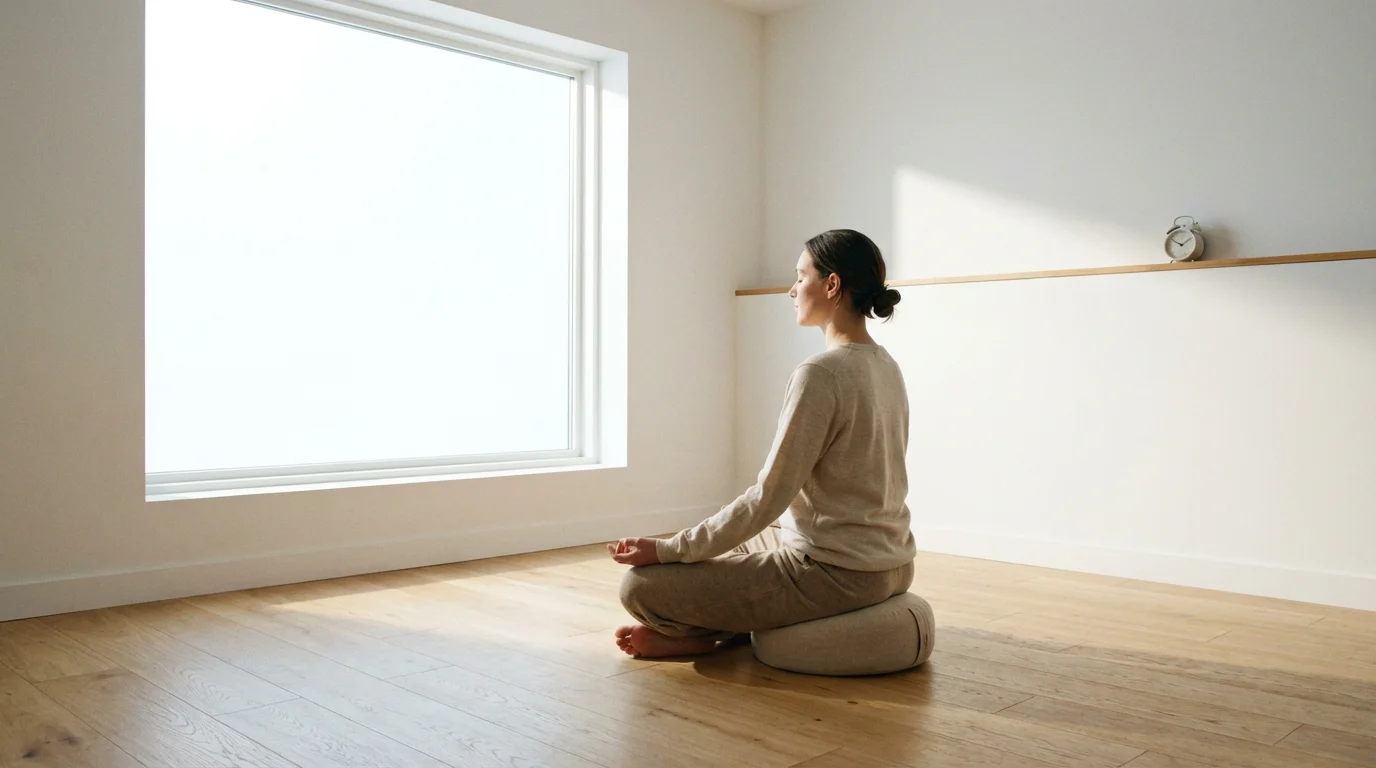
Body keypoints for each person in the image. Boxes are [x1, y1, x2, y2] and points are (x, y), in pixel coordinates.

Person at [607, 228, 919, 658]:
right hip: (895, 564)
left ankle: (706, 635)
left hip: (838, 573)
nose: (792, 290)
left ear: (831, 285)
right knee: (740, 545)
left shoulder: (821, 373)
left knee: (641, 587)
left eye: (800, 276)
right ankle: (721, 628)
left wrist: (666, 548)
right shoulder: (887, 365)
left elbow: (768, 496)